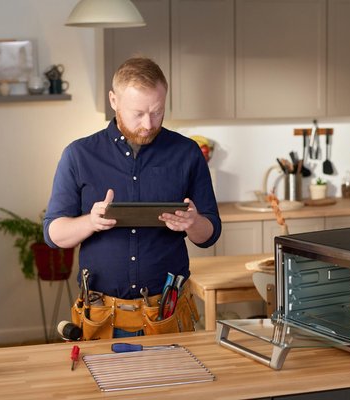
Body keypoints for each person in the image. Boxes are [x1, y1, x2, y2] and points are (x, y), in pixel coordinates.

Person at [43, 57, 221, 338]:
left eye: (157, 112)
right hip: (101, 316)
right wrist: (91, 221)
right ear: (114, 101)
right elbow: (54, 234)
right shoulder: (78, 155)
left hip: (168, 313)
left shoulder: (187, 153)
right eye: (138, 113)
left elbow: (209, 233)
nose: (148, 124)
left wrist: (193, 222)